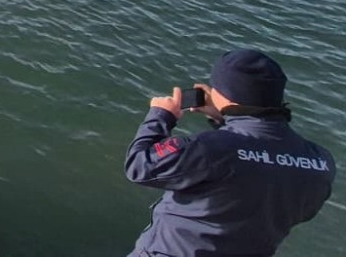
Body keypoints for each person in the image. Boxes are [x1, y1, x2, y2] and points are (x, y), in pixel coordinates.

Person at [125, 48, 335, 257]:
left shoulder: (208, 147)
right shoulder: (319, 161)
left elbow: (140, 165)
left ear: (223, 94)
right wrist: (226, 120)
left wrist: (160, 116)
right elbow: (296, 207)